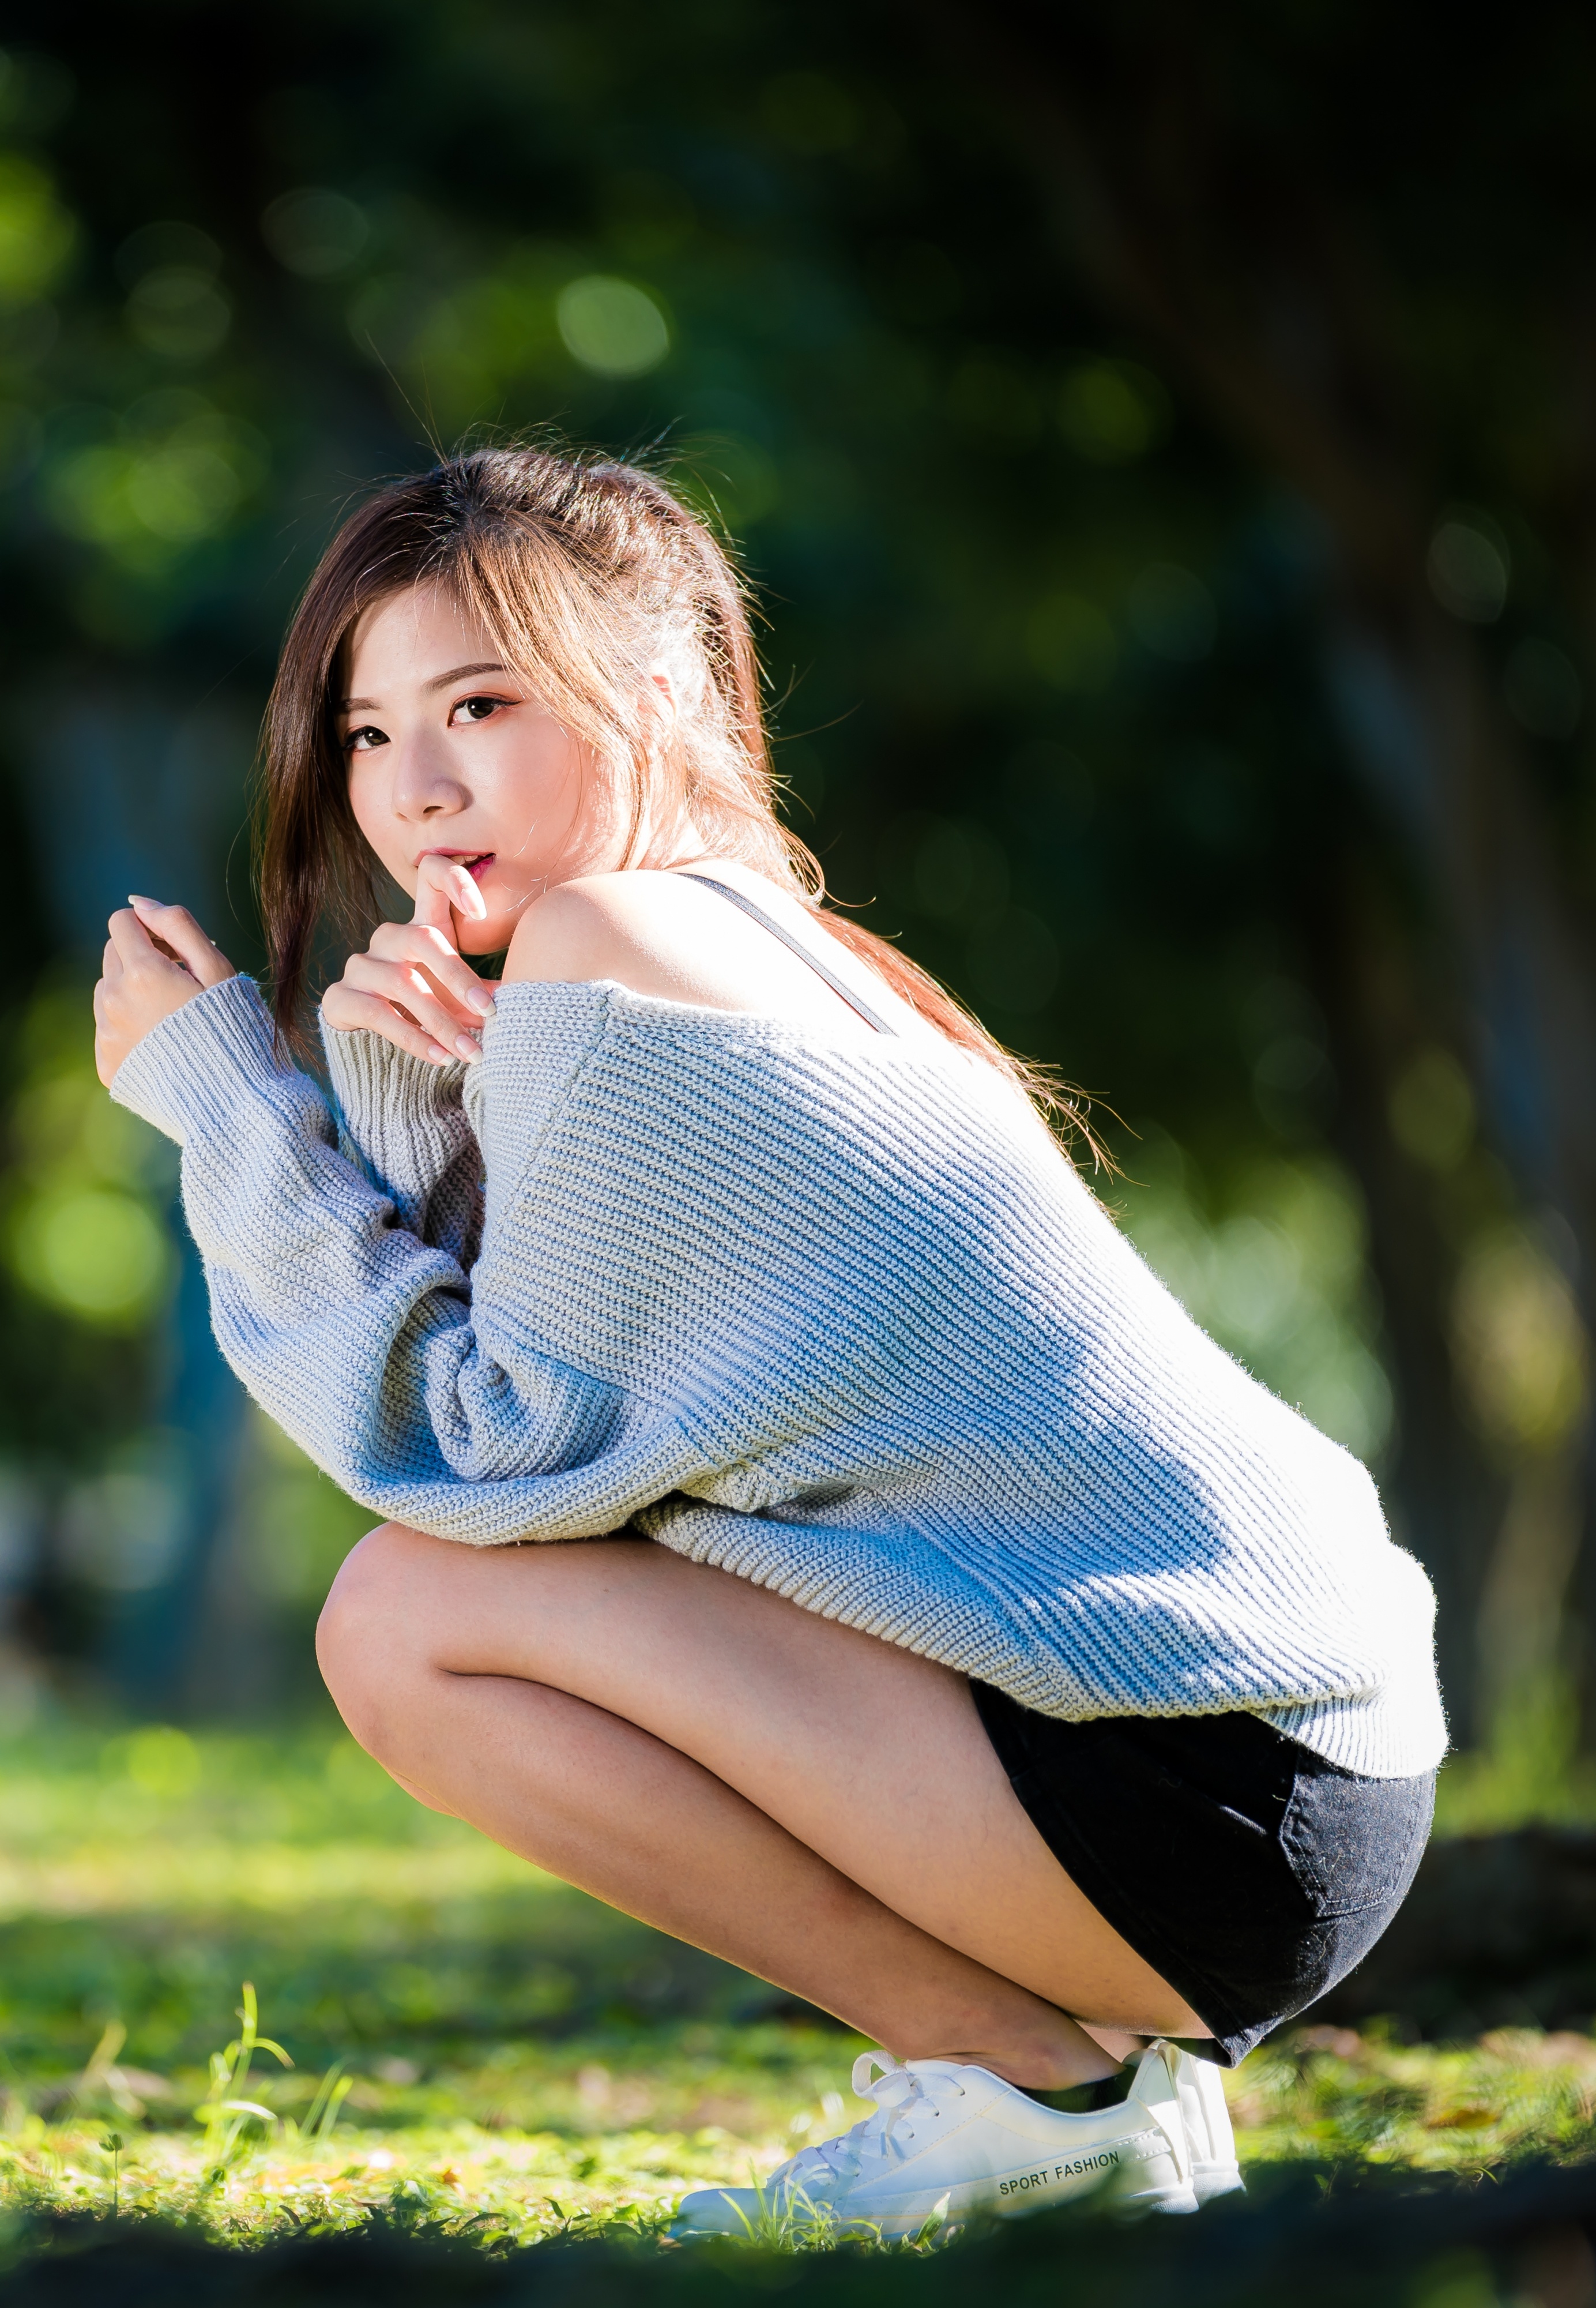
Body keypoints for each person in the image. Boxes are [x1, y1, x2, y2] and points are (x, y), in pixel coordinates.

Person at [88, 448, 1439, 2239]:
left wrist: (231, 1106)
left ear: (654, 698)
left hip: (1201, 1785)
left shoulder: (605, 938)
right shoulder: (747, 938)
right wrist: (427, 1079)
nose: (413, 788)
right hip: (1286, 1770)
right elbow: (573, 1397)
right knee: (428, 1596)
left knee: (403, 1619)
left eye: (481, 703)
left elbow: (484, 1455)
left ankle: (1039, 2085)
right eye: (366, 730)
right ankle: (1070, 2087)